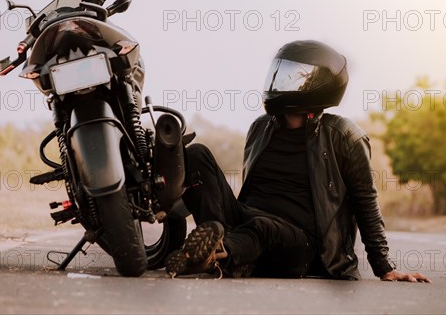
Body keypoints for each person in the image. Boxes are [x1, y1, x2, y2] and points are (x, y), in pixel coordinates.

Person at [165, 40, 430, 282]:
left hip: (303, 243)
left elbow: (365, 200)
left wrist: (383, 266)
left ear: (319, 86)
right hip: (246, 219)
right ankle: (219, 243)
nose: (281, 83)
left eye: (295, 77)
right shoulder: (261, 127)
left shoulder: (344, 135)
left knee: (262, 227)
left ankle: (218, 254)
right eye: (280, 74)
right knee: (196, 154)